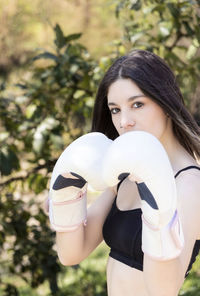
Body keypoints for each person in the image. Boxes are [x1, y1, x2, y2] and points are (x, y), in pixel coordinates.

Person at [48, 49, 200, 296]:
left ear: (165, 103)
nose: (124, 121)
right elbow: (71, 253)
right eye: (115, 109)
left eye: (137, 104)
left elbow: (164, 290)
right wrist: (65, 192)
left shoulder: (189, 183)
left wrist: (158, 212)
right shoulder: (127, 175)